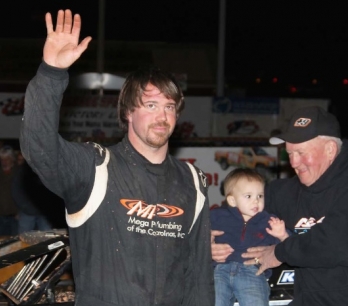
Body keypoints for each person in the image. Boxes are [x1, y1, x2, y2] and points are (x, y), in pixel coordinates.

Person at [19, 9, 214, 306]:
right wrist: (51, 73)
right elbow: (39, 149)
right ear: (128, 112)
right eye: (150, 104)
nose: (162, 116)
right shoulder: (95, 168)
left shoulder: (192, 181)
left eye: (170, 106)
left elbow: (199, 275)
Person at [212, 106, 348, 306]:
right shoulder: (284, 192)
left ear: (330, 150)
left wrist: (278, 252)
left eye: (300, 152)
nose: (293, 162)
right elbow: (239, 214)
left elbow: (339, 244)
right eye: (289, 153)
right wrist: (212, 242)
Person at [211, 168, 289, 306]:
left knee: (255, 302)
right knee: (214, 301)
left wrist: (282, 234)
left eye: (260, 196)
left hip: (252, 271)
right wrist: (205, 240)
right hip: (219, 271)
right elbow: (192, 233)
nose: (256, 201)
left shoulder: (269, 221)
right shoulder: (217, 216)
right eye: (249, 196)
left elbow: (291, 245)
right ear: (232, 200)